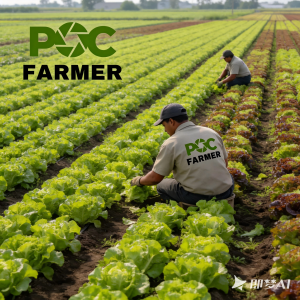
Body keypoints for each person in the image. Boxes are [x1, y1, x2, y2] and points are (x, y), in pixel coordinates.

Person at [130, 103, 235, 207]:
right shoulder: (211, 132)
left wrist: (138, 181)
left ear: (171, 121)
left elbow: (155, 178)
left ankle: (187, 208)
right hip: (225, 191)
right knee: (228, 175)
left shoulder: (172, 143)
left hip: (196, 197)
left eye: (164, 126)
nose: (165, 130)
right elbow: (225, 164)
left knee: (161, 186)